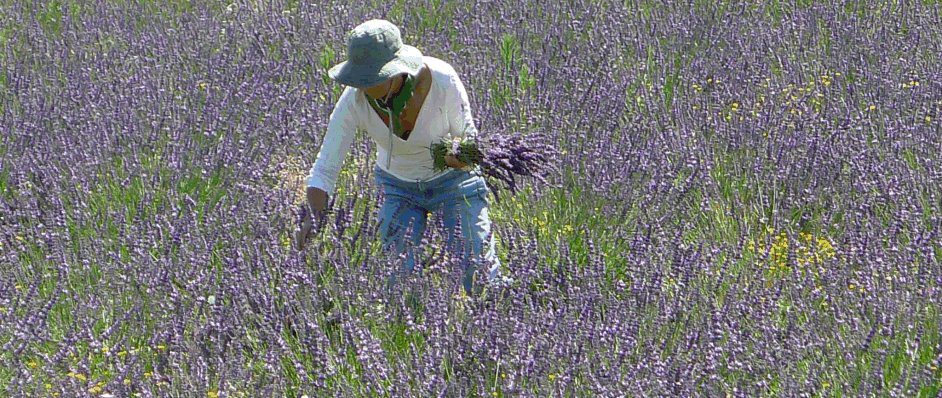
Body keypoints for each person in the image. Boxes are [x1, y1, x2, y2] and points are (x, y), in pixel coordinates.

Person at [295, 19, 510, 295]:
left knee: (480, 274)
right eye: (359, 77)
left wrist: (460, 155)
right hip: (397, 187)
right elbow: (326, 166)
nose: (363, 85)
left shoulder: (442, 79)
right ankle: (409, 335)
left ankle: (499, 314)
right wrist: (313, 217)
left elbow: (469, 137)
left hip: (454, 183)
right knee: (397, 281)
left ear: (396, 71)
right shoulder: (354, 100)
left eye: (371, 77)